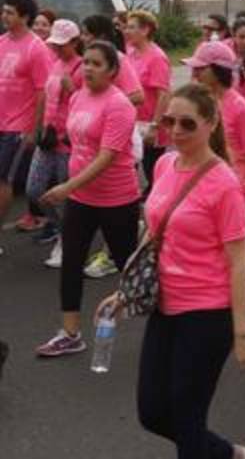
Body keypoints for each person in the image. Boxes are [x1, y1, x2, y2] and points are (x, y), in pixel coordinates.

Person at [95, 83, 245, 458]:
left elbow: (238, 263)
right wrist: (126, 291)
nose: (177, 130)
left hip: (207, 313)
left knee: (187, 420)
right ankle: (228, 454)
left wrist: (243, 332)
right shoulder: (166, 163)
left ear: (211, 123)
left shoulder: (224, 183)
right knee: (151, 412)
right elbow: (153, 234)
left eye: (188, 123)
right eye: (170, 121)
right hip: (164, 305)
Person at [36, 41, 140, 357]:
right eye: (87, 63)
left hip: (116, 199)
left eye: (97, 64)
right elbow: (77, 139)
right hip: (82, 197)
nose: (89, 69)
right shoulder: (79, 96)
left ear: (112, 71)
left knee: (129, 267)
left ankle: (169, 321)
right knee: (71, 263)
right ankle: (70, 333)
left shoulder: (120, 105)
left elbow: (107, 156)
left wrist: (66, 187)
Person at [184, 42, 245, 235]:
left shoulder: (240, 108)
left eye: (200, 69)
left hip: (236, 190)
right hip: (207, 184)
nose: (194, 74)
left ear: (218, 70)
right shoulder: (201, 103)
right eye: (194, 68)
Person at [27, 20, 83, 263]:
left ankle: (67, 238)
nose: (57, 49)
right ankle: (59, 226)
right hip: (48, 137)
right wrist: (37, 127)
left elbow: (92, 103)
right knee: (34, 189)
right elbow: (44, 96)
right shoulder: (54, 63)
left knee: (65, 193)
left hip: (69, 141)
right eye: (54, 44)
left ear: (75, 42)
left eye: (62, 44)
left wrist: (74, 91)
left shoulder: (82, 67)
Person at [0, 0, 51, 226]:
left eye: (10, 12)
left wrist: (34, 129)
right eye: (4, 11)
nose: (4, 16)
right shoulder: (2, 42)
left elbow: (43, 92)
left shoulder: (36, 48)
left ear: (25, 17)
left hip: (18, 127)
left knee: (3, 180)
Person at [124, 9, 172, 195]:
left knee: (152, 170)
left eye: (131, 27)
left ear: (145, 30)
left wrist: (155, 125)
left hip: (149, 123)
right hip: (132, 121)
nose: (127, 31)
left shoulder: (157, 57)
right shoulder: (131, 53)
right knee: (130, 167)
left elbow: (164, 94)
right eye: (126, 27)